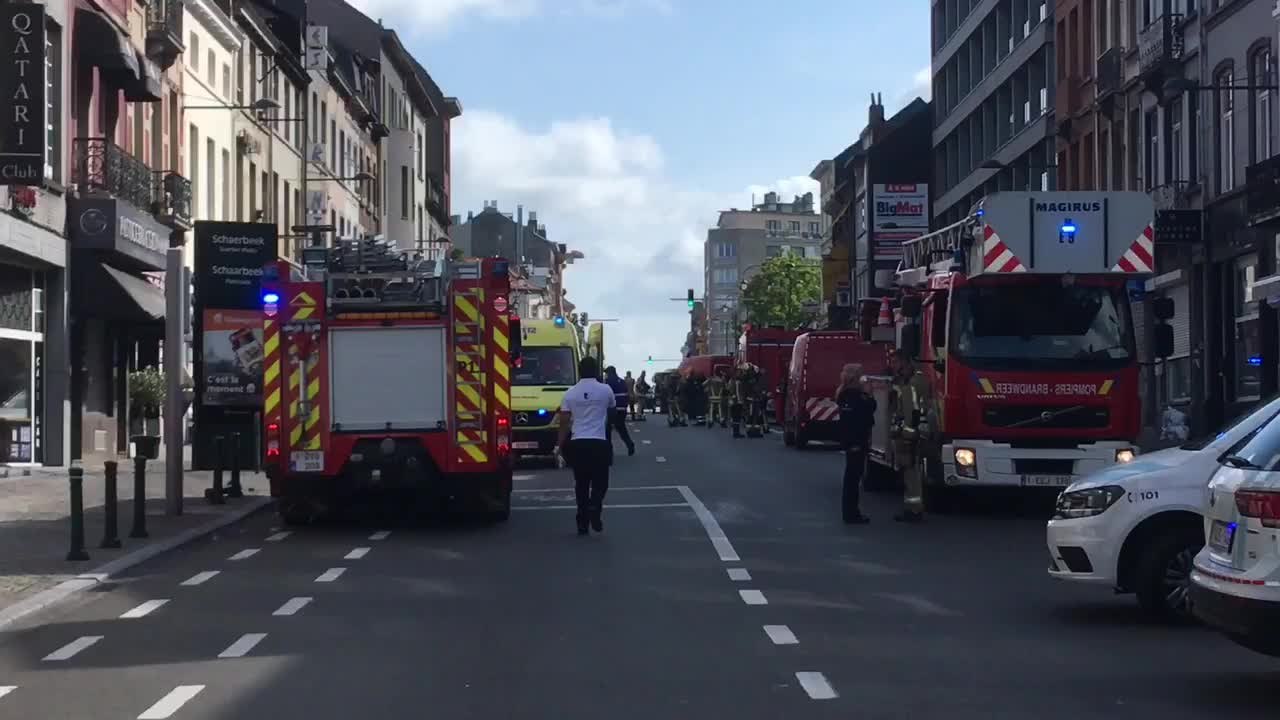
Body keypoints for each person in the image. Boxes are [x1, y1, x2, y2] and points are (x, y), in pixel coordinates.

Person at [556, 356, 615, 535]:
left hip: (578, 442)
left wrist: (558, 446)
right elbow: (611, 411)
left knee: (581, 483)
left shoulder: (570, 393)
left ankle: (582, 522)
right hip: (598, 441)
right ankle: (594, 506)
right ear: (596, 370)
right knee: (601, 482)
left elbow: (564, 422)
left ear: (579, 370)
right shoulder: (605, 390)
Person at [889, 350, 932, 523]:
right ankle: (911, 507)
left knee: (911, 472)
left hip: (911, 434)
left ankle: (914, 510)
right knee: (910, 472)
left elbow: (909, 411)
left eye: (895, 362)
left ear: (904, 362)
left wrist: (905, 433)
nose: (892, 365)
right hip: (916, 431)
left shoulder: (910, 383)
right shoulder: (917, 378)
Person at [836, 363, 875, 525]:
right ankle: (852, 513)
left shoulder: (843, 394)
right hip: (856, 441)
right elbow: (869, 409)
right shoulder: (856, 396)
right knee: (853, 479)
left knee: (850, 478)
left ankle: (850, 512)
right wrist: (869, 394)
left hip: (850, 440)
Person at [604, 366, 636, 457]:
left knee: (608, 430)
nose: (606, 375)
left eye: (606, 373)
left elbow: (607, 396)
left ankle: (608, 452)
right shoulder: (622, 381)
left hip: (613, 408)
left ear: (610, 373)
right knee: (621, 428)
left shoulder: (608, 382)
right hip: (623, 409)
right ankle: (629, 444)